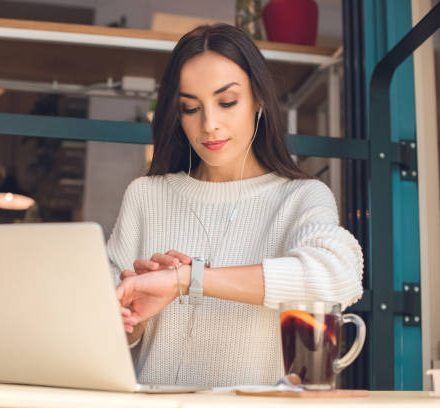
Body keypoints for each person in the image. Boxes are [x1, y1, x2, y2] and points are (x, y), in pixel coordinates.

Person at [108, 24, 363, 388]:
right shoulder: (145, 196)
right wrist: (134, 319)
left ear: (259, 99)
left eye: (227, 102)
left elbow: (337, 278)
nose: (209, 125)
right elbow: (99, 334)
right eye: (191, 108)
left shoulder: (301, 197)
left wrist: (186, 280)